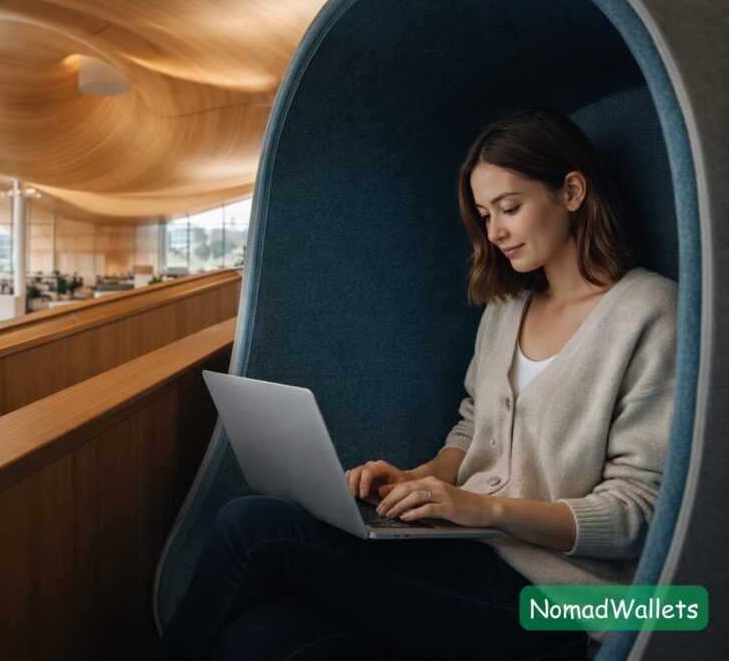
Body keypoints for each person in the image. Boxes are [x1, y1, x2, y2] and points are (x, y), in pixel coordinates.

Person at [152, 109, 677, 660]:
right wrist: (419, 479)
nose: (494, 233)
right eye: (484, 215)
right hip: (468, 550)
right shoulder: (508, 308)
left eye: (510, 208)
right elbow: (473, 430)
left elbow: (638, 514)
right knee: (259, 636)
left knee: (251, 526)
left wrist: (483, 509)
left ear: (571, 192)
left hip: (560, 599)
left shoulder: (650, 311)